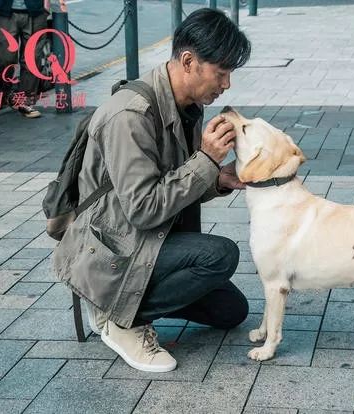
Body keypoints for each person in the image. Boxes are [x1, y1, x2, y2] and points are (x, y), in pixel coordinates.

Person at [52, 8, 251, 372]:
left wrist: (217, 179)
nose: (226, 84)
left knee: (232, 311)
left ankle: (132, 301)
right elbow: (143, 208)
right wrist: (205, 160)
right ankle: (117, 316)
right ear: (189, 61)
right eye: (221, 73)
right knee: (221, 255)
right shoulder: (131, 115)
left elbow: (173, 183)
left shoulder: (187, 105)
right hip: (111, 249)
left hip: (146, 238)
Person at [0, 0, 48, 118]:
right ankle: (7, 92)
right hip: (5, 10)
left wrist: (46, 4)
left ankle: (25, 101)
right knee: (5, 58)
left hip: (35, 11)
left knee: (32, 58)